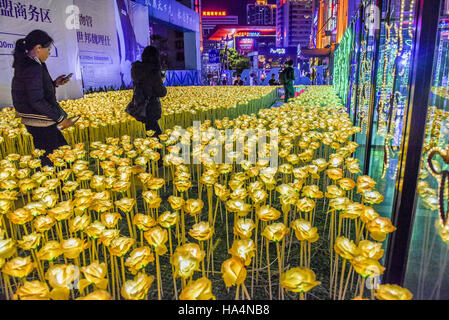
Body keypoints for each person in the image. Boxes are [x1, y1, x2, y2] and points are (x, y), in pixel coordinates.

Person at [11, 30, 75, 167]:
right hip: (39, 120)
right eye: (48, 49)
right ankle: (55, 183)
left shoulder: (30, 63)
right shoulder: (32, 66)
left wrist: (54, 84)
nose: (49, 53)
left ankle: (53, 180)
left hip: (35, 118)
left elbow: (33, 90)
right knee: (54, 156)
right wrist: (61, 119)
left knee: (55, 152)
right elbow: (36, 100)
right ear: (38, 48)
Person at [131, 45, 167, 139]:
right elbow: (162, 92)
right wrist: (161, 81)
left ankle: (154, 151)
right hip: (151, 108)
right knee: (155, 135)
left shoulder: (137, 70)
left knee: (151, 131)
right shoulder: (153, 72)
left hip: (141, 106)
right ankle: (156, 153)